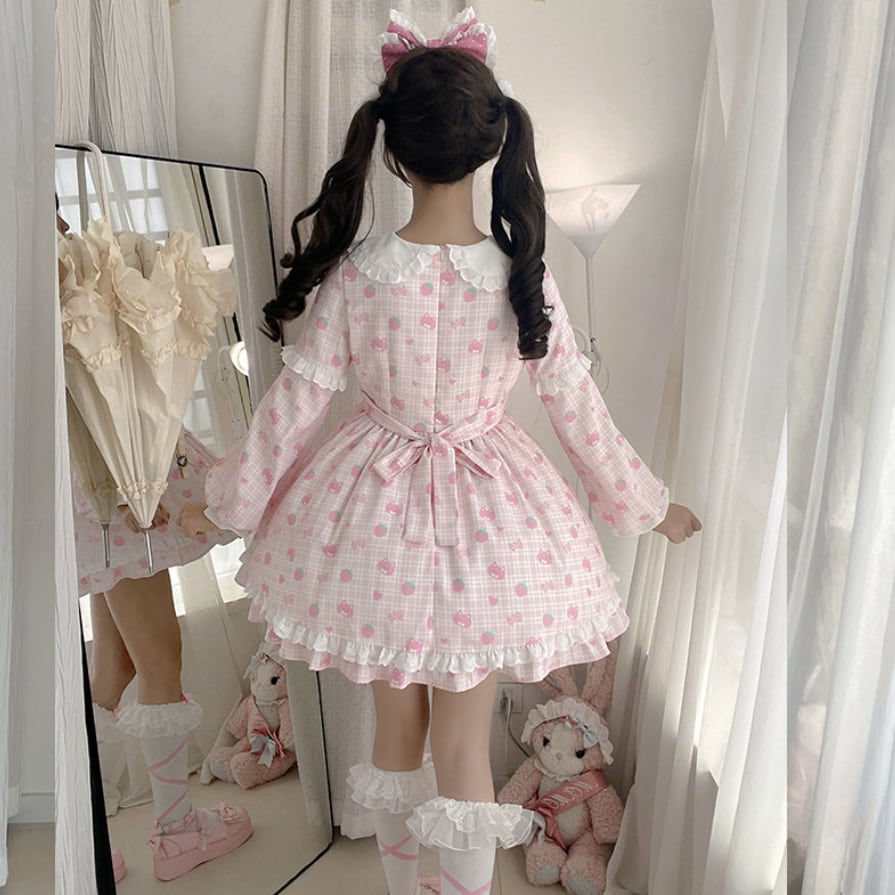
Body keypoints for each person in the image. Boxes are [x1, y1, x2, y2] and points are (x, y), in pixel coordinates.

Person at [179, 9, 701, 895]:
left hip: (369, 523)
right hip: (490, 531)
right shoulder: (520, 274)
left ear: (391, 150)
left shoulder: (358, 274)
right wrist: (649, 507)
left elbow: (293, 407)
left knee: (396, 736)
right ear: (491, 145)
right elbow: (576, 406)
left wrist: (226, 499)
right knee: (462, 747)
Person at [58, 203, 254, 883]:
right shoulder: (50, 262)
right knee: (158, 659)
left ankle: (85, 839)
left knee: (114, 668)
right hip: (111, 475)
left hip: (94, 476)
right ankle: (174, 831)